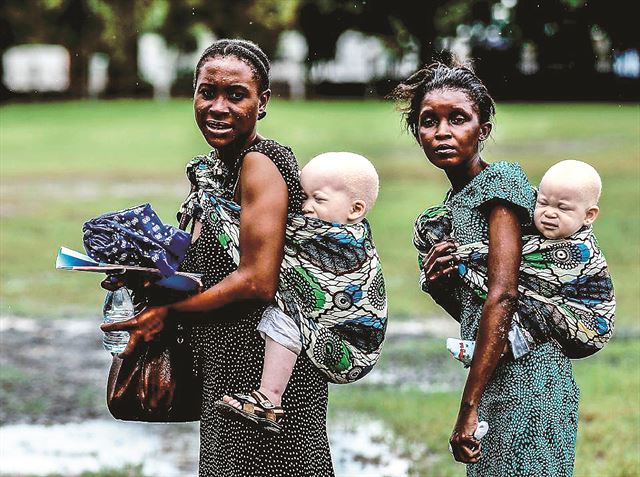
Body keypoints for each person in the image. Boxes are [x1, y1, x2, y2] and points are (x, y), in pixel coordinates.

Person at [102, 39, 334, 477]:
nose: (218, 107)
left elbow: (256, 281)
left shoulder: (260, 163)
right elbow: (200, 264)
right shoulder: (212, 169)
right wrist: (138, 275)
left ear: (262, 102)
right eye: (207, 92)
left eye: (236, 94)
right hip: (225, 360)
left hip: (266, 371)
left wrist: (169, 314)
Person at [390, 61, 579, 476]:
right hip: (493, 372)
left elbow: (505, 294)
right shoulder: (444, 214)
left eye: (458, 119)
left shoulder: (501, 183)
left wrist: (467, 408)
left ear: (484, 129)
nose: (442, 132)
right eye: (428, 121)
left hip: (532, 379)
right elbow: (476, 312)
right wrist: (440, 286)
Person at [216, 151, 380, 433]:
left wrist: (223, 215)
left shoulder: (343, 243)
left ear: (355, 210)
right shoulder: (317, 230)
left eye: (318, 199)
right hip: (327, 337)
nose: (305, 207)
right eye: (304, 197)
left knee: (284, 318)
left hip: (348, 345)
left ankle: (269, 397)